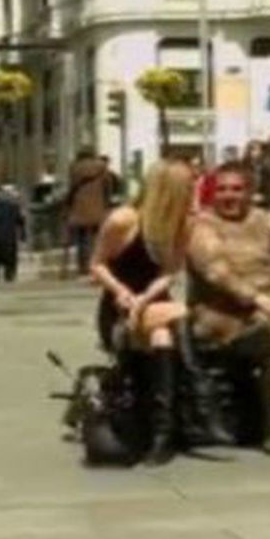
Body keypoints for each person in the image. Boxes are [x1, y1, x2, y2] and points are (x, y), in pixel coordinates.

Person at [186, 162, 270, 458]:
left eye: (237, 189)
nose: (229, 196)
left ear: (250, 192)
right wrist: (262, 301)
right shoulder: (202, 226)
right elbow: (217, 274)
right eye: (222, 189)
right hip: (220, 320)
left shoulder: (265, 220)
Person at [90, 160, 196, 466]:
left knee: (162, 335)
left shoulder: (182, 225)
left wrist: (145, 299)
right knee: (181, 315)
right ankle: (196, 396)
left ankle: (163, 432)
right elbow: (97, 264)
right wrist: (123, 292)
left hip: (153, 304)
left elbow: (170, 272)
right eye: (187, 189)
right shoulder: (124, 220)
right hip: (119, 306)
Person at [66, 147, 113, 278]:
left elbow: (72, 186)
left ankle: (83, 266)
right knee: (98, 237)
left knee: (81, 237)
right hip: (98, 206)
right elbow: (108, 186)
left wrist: (69, 202)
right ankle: (97, 263)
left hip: (79, 207)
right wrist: (107, 201)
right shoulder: (101, 166)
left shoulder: (75, 167)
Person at [245, 137, 270, 211]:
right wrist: (249, 196)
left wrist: (263, 198)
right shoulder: (243, 168)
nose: (254, 152)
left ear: (261, 152)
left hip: (262, 206)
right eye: (252, 149)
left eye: (257, 149)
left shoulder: (266, 169)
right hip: (247, 206)